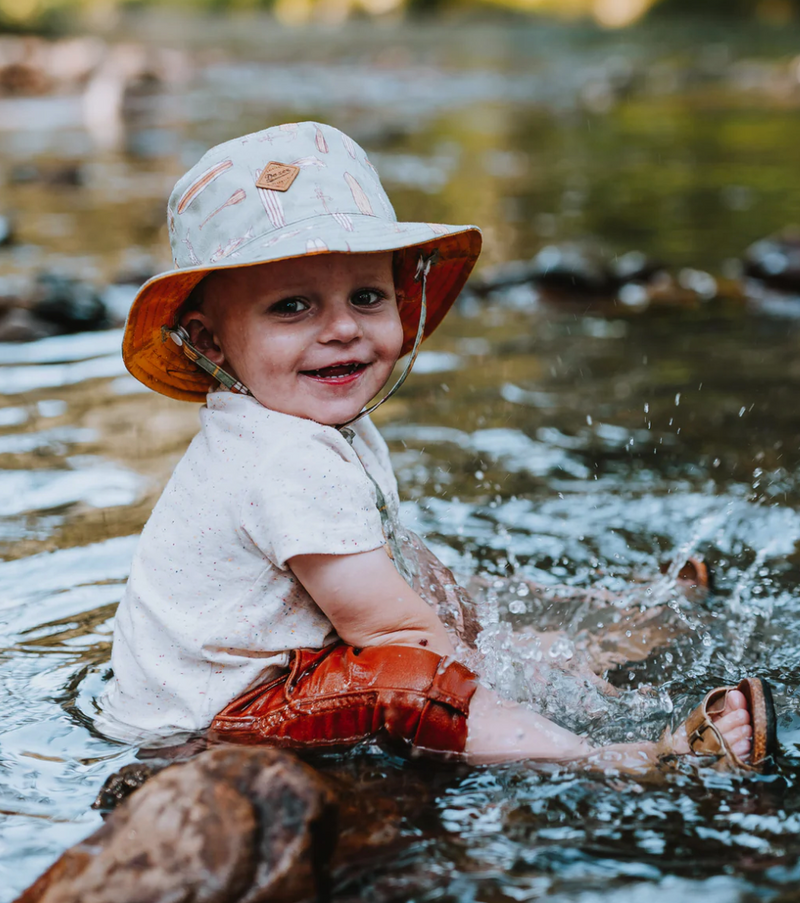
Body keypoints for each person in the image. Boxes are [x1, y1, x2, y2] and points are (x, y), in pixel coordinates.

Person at [97, 121, 777, 774]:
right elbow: (396, 630)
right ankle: (618, 758)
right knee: (412, 672)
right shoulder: (282, 459)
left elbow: (398, 573)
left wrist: (482, 623)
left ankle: (606, 633)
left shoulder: (305, 420)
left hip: (273, 673)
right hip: (214, 719)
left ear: (400, 300)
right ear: (211, 340)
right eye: (292, 307)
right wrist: (504, 686)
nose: (342, 330)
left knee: (439, 583)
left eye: (366, 296)